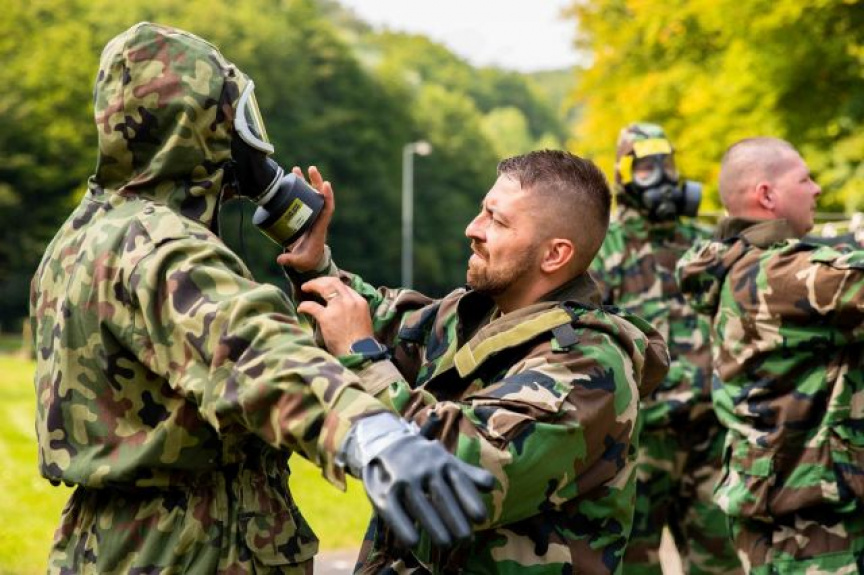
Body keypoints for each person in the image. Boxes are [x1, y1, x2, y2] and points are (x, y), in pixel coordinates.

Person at [28, 22, 492, 574]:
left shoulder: (80, 237)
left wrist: (312, 267)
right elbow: (254, 351)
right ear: (198, 127)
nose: (251, 147)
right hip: (193, 547)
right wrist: (370, 432)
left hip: (107, 542)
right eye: (238, 120)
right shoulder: (167, 249)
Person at [276, 151, 670, 573]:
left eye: (497, 221)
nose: (473, 228)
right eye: (483, 210)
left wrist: (362, 356)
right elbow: (382, 321)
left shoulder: (586, 368)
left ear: (554, 255)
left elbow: (454, 475)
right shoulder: (481, 313)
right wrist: (313, 261)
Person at [676, 137, 864, 573]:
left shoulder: (747, 263)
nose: (816, 188)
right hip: (809, 530)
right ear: (767, 195)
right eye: (804, 179)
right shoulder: (776, 274)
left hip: (801, 512)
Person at [589, 123, 741, 573]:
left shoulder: (702, 244)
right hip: (639, 438)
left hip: (707, 434)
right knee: (634, 562)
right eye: (646, 166)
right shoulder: (604, 247)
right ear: (623, 174)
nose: (660, 176)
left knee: (720, 559)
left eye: (666, 163)